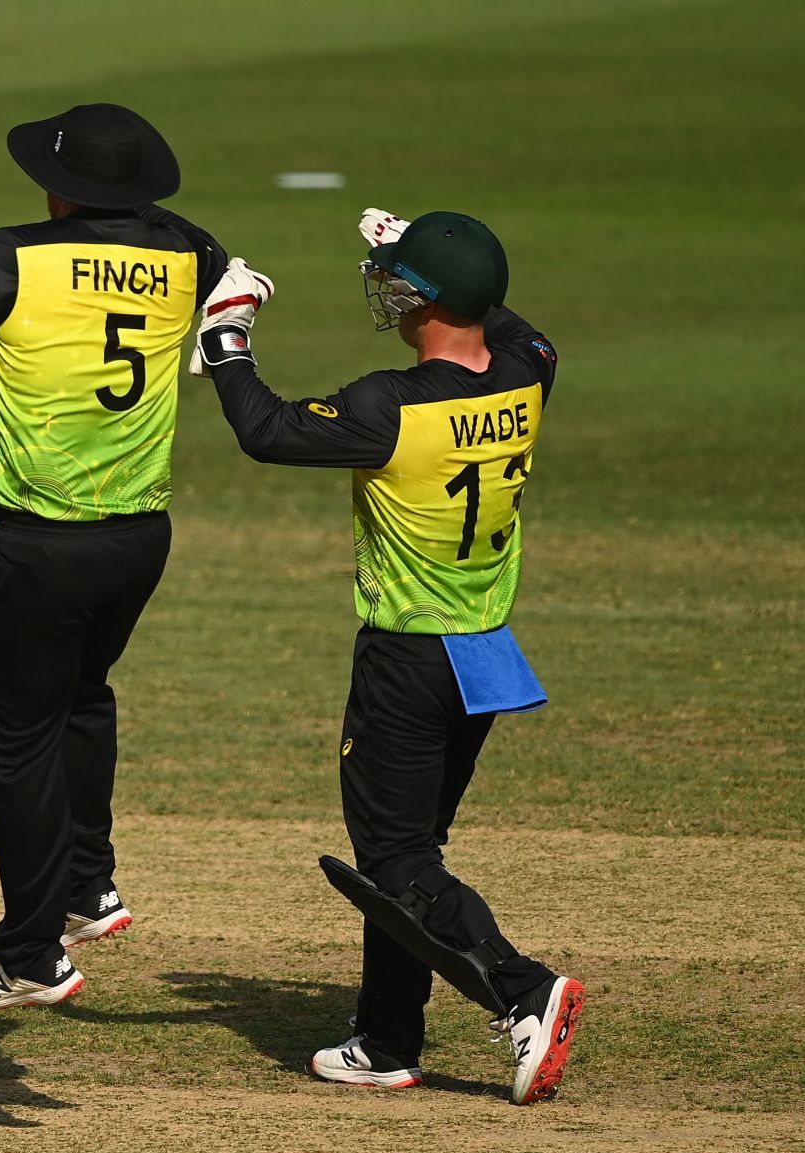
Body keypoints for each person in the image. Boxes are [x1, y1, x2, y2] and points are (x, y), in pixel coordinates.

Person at [192, 209, 583, 1105]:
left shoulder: (392, 406)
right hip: (484, 651)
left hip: (409, 656)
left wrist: (227, 340)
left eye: (402, 280)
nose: (389, 291)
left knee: (398, 860)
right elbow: (525, 329)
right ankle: (385, 1037)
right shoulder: (530, 375)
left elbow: (267, 431)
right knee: (408, 855)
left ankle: (526, 990)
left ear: (429, 301)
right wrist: (429, 247)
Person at [0, 103, 226, 1009]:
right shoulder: (186, 257)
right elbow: (223, 260)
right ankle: (89, 884)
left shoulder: (9, 255)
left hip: (40, 543)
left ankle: (32, 953)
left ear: (61, 186)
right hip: (140, 540)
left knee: (16, 744)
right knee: (83, 696)